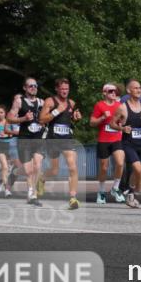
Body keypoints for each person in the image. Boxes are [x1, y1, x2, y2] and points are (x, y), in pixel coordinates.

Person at [38, 78, 83, 209]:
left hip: (67, 139)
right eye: (62, 89)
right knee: (54, 170)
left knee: (73, 167)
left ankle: (73, 198)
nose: (65, 91)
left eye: (67, 89)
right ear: (57, 89)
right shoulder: (50, 101)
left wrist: (76, 118)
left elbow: (70, 120)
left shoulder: (71, 103)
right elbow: (41, 119)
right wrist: (57, 111)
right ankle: (41, 179)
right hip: (53, 139)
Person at [111, 80, 141, 209]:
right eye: (135, 88)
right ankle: (130, 193)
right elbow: (112, 124)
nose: (139, 90)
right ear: (129, 91)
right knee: (137, 168)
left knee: (140, 172)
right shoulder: (123, 107)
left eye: (140, 88)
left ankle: (131, 194)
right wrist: (122, 129)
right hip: (128, 143)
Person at [7, 78, 45, 207]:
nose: (33, 88)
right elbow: (9, 118)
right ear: (25, 88)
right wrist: (23, 118)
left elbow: (50, 117)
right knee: (29, 170)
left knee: (37, 166)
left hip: (38, 139)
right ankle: (30, 192)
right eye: (30, 86)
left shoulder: (42, 102)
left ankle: (32, 194)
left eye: (35, 86)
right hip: (25, 139)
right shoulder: (19, 101)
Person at [89, 84, 124, 204]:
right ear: (104, 93)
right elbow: (92, 122)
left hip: (116, 139)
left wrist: (122, 124)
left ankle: (115, 188)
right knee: (104, 167)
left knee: (120, 163)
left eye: (115, 91)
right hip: (103, 140)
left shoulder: (119, 105)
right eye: (110, 91)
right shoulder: (100, 105)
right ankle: (102, 191)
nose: (114, 93)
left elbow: (123, 121)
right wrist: (103, 117)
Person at [0, 105, 19, 196]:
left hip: (9, 146)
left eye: (1, 112)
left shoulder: (9, 122)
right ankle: (7, 190)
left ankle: (0, 181)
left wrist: (9, 134)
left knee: (11, 169)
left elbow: (16, 133)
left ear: (5, 113)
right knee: (5, 167)